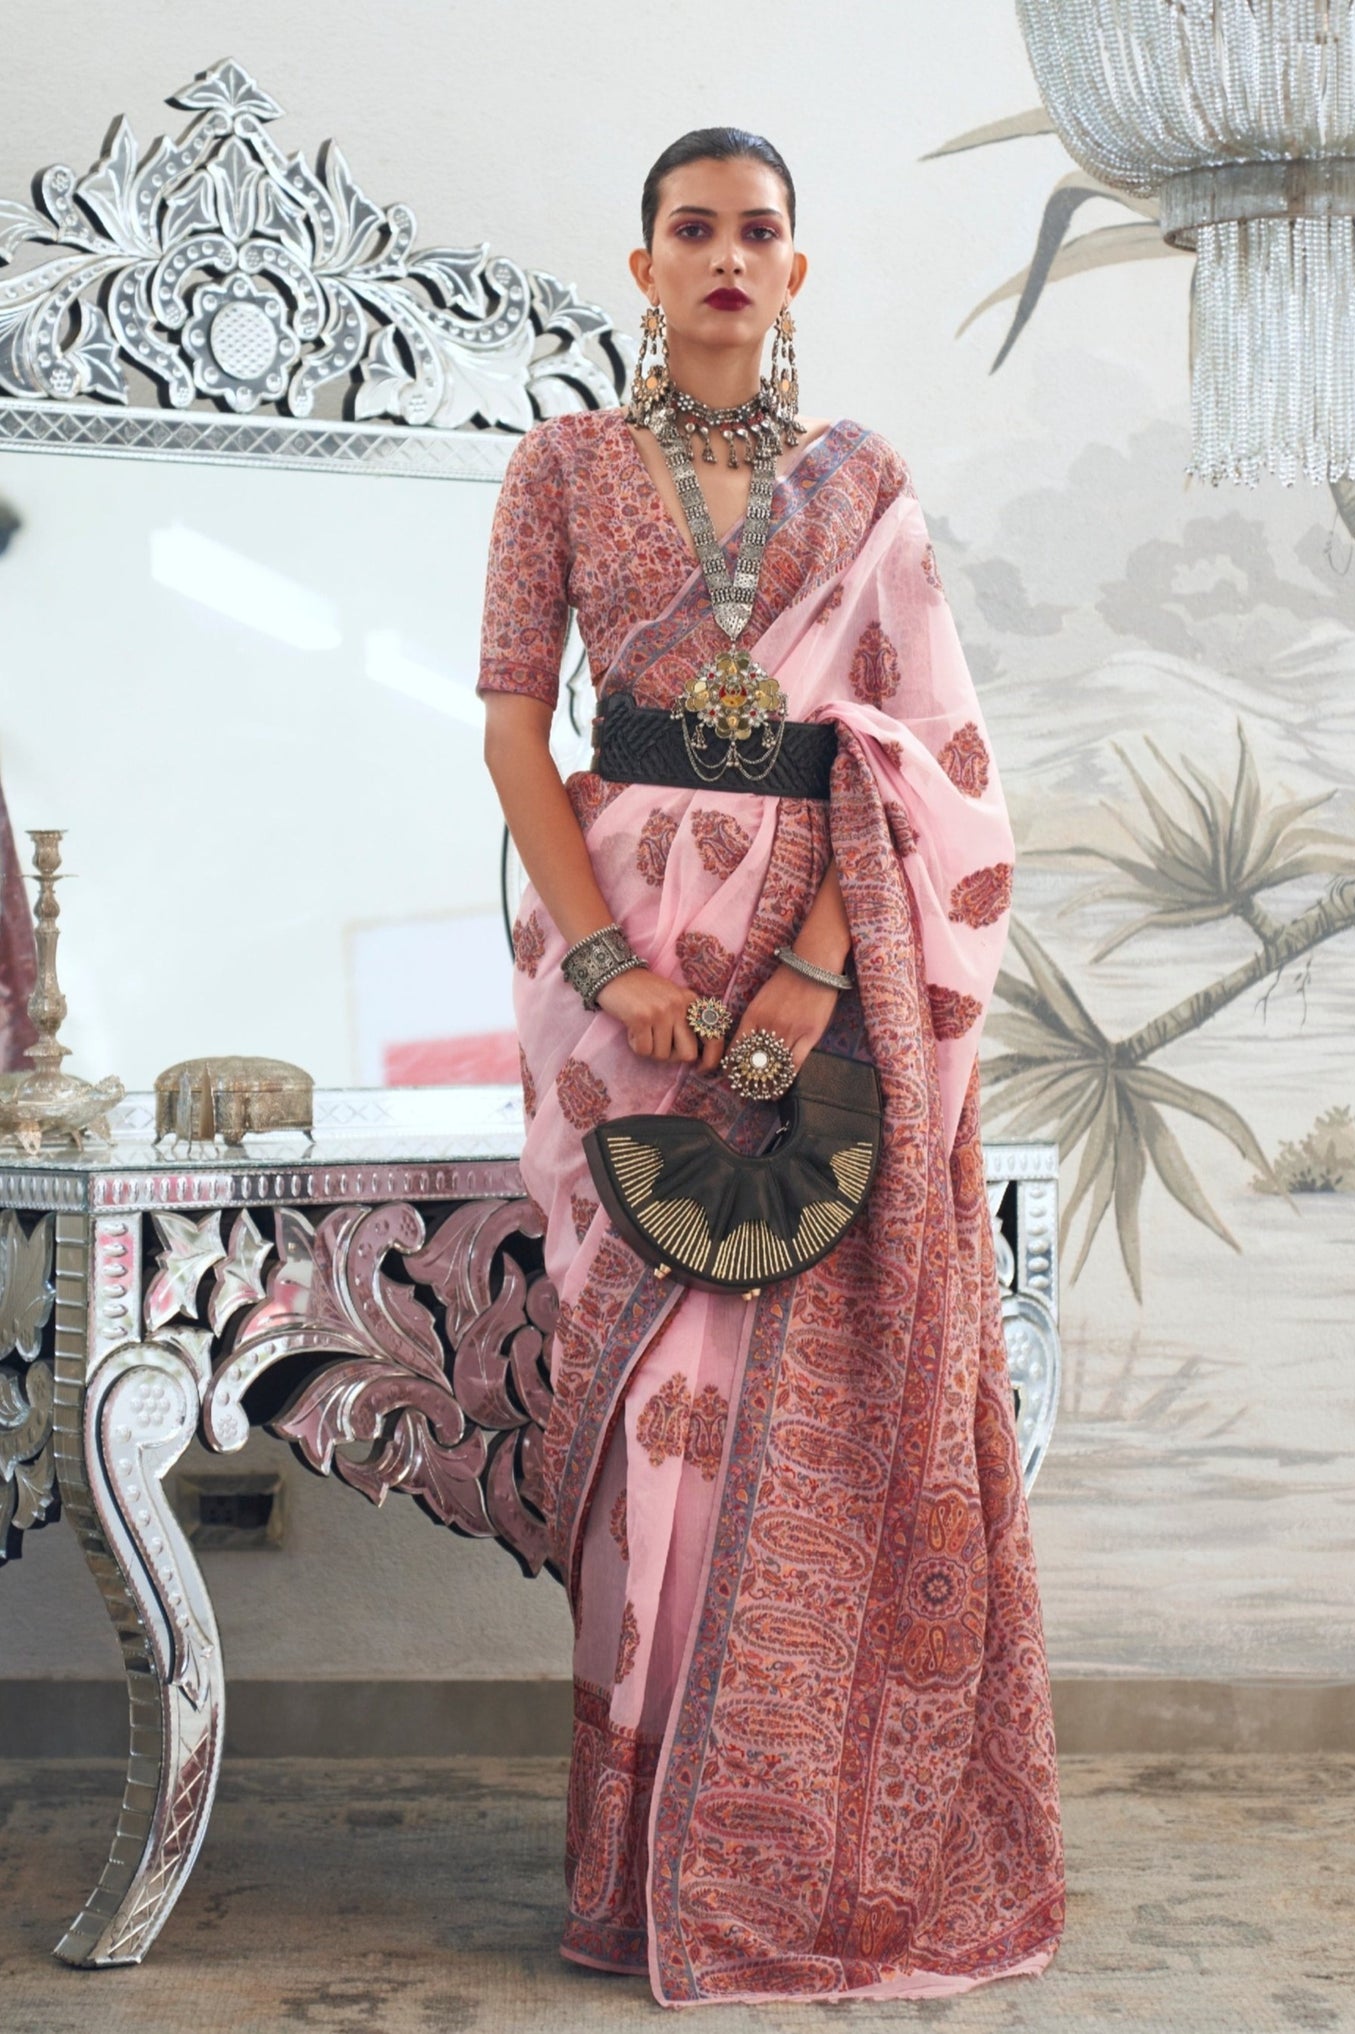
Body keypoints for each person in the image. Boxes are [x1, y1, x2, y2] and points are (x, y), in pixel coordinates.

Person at [477, 125, 1065, 2008]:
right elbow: (509, 733)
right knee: (653, 1429)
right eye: (689, 229)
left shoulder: (860, 479)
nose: (725, 257)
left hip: (820, 982)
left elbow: (924, 746)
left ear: (794, 272)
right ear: (641, 263)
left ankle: (792, 1872)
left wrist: (814, 975)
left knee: (792, 1414)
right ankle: (640, 1877)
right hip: (619, 978)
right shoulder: (560, 466)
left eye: (757, 232)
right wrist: (606, 963)